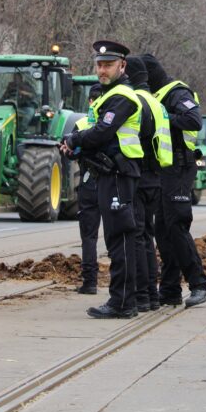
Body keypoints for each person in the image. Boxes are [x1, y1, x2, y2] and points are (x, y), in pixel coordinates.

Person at [61, 41, 142, 319]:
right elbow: (97, 135)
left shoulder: (122, 96)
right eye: (99, 65)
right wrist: (76, 146)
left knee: (120, 237)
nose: (102, 70)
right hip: (109, 173)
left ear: (122, 65)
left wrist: (75, 139)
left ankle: (122, 302)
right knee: (116, 237)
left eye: (108, 65)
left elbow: (103, 133)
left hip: (119, 173)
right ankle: (124, 300)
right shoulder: (108, 95)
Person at [141, 53, 206, 308]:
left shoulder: (177, 92)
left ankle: (200, 285)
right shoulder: (158, 95)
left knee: (177, 225)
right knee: (163, 229)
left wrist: (164, 118)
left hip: (180, 167)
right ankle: (170, 289)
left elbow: (194, 120)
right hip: (165, 168)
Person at [126, 56, 173, 312]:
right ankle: (152, 296)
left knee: (137, 237)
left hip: (139, 176)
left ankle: (142, 295)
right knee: (147, 236)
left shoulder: (136, 102)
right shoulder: (157, 103)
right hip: (156, 176)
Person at [70, 83, 103, 295]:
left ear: (90, 101)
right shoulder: (116, 121)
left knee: (89, 235)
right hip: (114, 182)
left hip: (89, 181)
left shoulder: (81, 124)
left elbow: (70, 152)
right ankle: (125, 283)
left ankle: (90, 281)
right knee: (118, 234)